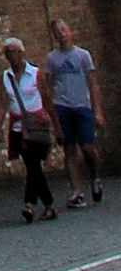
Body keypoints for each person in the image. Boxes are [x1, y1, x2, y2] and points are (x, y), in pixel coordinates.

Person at [0, 35, 58, 221]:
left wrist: (56, 124)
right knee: (32, 165)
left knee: (33, 165)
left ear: (21, 53)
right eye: (8, 53)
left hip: (37, 126)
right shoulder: (7, 77)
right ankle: (38, 204)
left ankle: (38, 204)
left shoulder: (35, 73)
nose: (11, 56)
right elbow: (3, 102)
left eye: (14, 52)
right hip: (18, 128)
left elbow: (46, 99)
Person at [43, 19, 102, 209]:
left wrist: (97, 110)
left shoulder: (83, 56)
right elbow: (48, 85)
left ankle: (95, 178)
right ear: (54, 36)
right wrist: (48, 109)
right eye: (57, 31)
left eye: (63, 29)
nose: (61, 33)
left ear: (69, 31)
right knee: (69, 148)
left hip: (82, 105)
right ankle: (76, 192)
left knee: (87, 148)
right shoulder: (52, 59)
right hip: (63, 106)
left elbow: (93, 84)